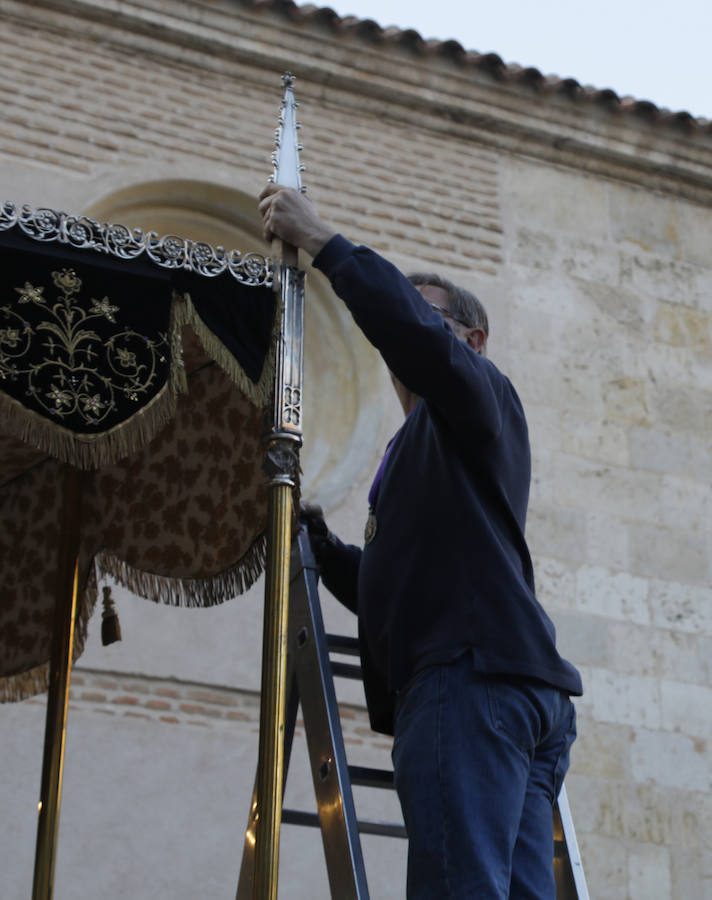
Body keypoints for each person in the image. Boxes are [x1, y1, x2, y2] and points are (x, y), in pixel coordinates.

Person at [259, 183, 583, 900]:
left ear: (471, 341)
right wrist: (316, 541)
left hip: (472, 683)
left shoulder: (477, 395)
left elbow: (410, 334)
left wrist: (324, 242)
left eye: (423, 313)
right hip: (511, 687)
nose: (401, 326)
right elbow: (391, 578)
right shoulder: (419, 451)